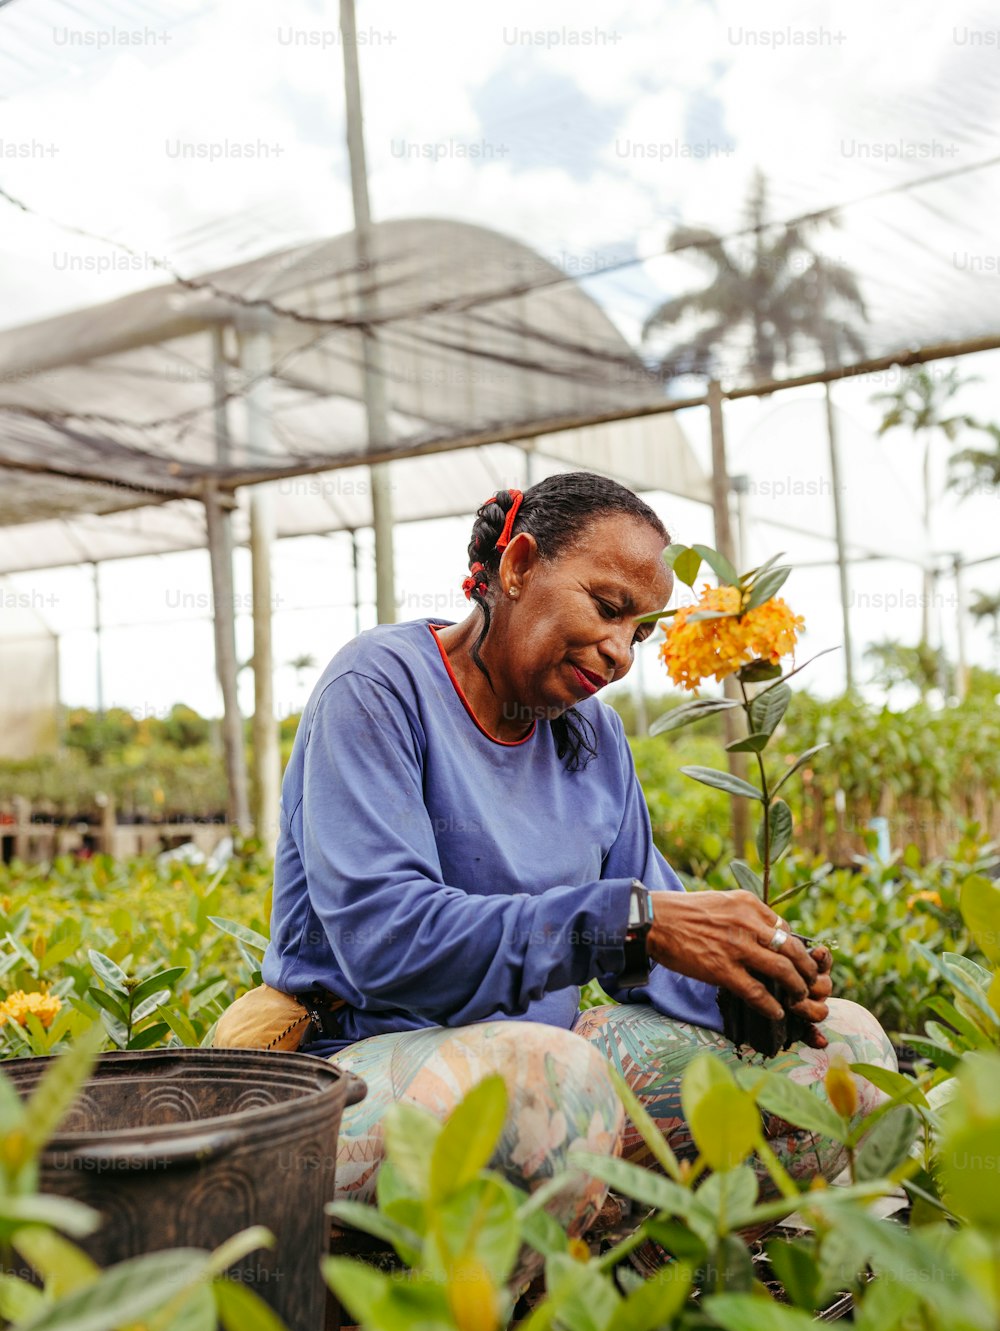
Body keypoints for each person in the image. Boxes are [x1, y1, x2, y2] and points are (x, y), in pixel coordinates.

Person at [220, 472, 896, 1236]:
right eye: (608, 609)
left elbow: (650, 936)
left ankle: (672, 1294)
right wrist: (632, 923)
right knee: (552, 1081)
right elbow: (389, 940)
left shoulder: (593, 740)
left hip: (544, 1072)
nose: (619, 653)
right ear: (518, 567)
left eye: (640, 632)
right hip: (353, 1077)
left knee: (844, 1048)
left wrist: (753, 982)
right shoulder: (379, 688)